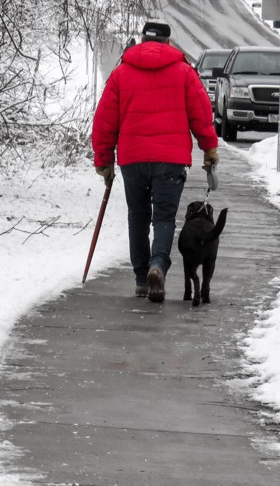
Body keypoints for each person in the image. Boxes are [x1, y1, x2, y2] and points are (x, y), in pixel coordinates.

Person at [91, 20, 219, 302]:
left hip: (132, 158)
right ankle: (157, 266)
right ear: (167, 42)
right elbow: (201, 113)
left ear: (142, 39)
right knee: (163, 218)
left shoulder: (122, 72)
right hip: (170, 161)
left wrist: (104, 159)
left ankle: (140, 279)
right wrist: (209, 149)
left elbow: (104, 120)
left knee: (137, 216)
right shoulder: (184, 72)